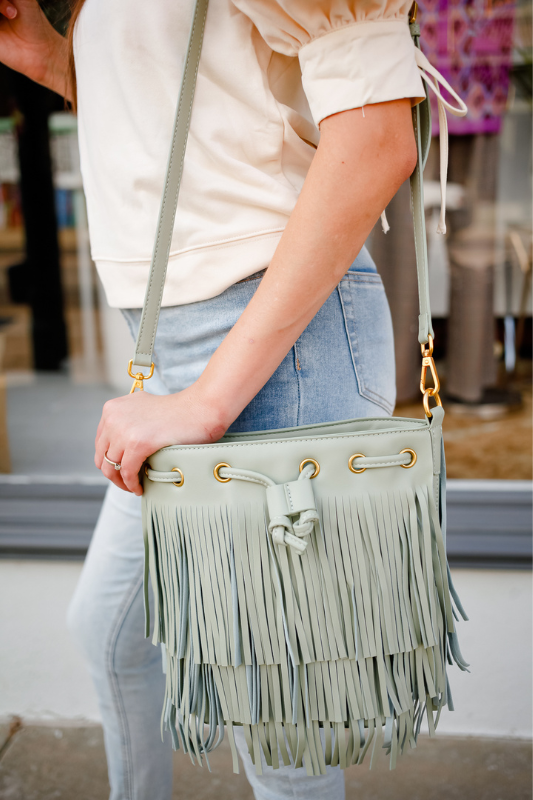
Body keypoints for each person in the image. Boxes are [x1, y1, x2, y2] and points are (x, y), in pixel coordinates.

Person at [1, 1, 428, 798]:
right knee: (114, 633)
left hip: (273, 348)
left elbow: (376, 139)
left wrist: (205, 402)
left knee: (277, 722)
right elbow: (199, 122)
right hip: (179, 358)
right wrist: (55, 62)